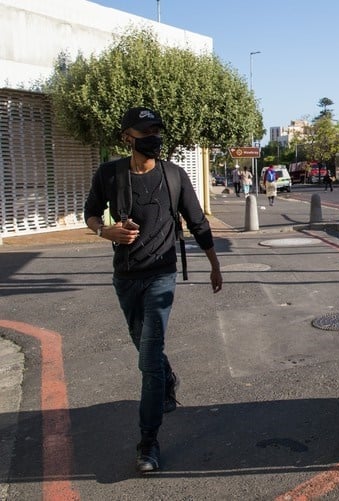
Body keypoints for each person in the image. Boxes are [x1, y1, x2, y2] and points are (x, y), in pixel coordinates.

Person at [84, 106, 223, 473]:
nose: (153, 138)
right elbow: (91, 213)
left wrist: (214, 263)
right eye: (145, 132)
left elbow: (197, 221)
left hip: (162, 276)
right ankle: (167, 376)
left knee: (147, 359)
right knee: (146, 349)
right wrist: (105, 231)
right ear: (127, 137)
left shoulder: (174, 176)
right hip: (126, 278)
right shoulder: (109, 174)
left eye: (157, 130)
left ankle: (148, 443)